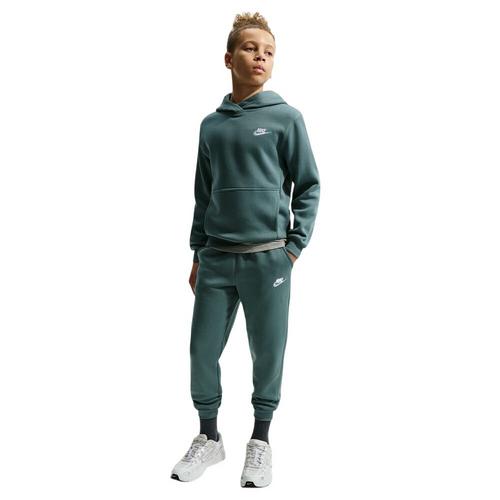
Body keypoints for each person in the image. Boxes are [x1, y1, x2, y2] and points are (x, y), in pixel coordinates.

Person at [171, 11, 320, 487]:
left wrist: (293, 248)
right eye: (251, 48)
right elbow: (203, 193)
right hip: (216, 258)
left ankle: (260, 440)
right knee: (201, 352)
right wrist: (197, 253)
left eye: (269, 52)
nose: (260, 57)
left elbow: (309, 186)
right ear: (228, 58)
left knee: (268, 354)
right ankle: (209, 437)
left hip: (269, 258)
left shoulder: (286, 119)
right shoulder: (210, 126)